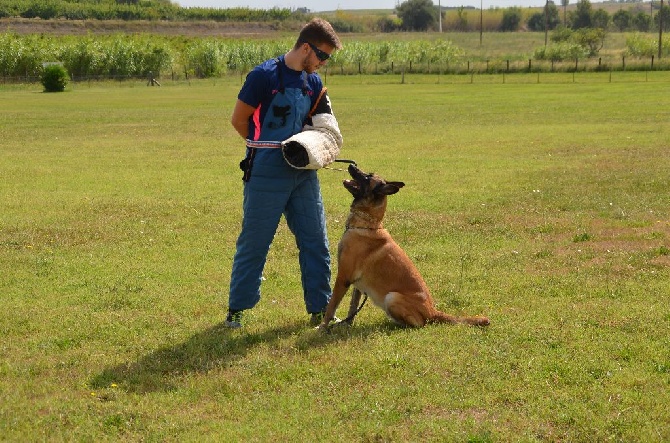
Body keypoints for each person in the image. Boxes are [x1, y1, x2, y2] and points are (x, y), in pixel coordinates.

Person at [226, 18, 343, 329]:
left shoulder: (314, 83)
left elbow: (324, 125)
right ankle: (236, 310)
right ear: (306, 47)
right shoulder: (262, 76)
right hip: (265, 171)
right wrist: (263, 148)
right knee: (255, 242)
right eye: (322, 56)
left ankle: (321, 310)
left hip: (303, 173)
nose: (323, 63)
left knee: (316, 241)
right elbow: (239, 120)